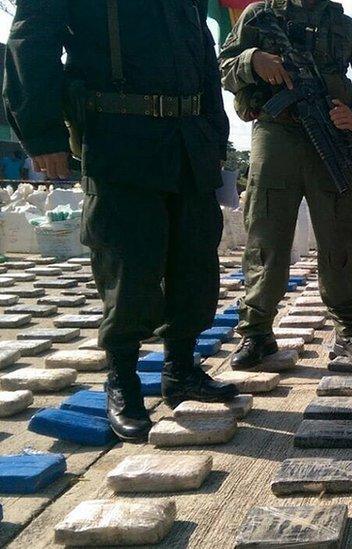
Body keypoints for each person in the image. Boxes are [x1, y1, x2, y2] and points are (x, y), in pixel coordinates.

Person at [3, 0, 239, 442]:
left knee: (195, 261)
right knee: (129, 264)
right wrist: (42, 132)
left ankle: (181, 369)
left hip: (188, 141)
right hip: (119, 137)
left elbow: (203, 55)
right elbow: (31, 42)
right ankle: (123, 379)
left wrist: (214, 132)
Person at [219, 0, 352, 369]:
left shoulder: (345, 27)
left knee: (340, 234)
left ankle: (348, 331)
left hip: (329, 133)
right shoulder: (259, 15)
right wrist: (252, 61)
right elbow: (223, 66)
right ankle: (257, 332)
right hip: (275, 131)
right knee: (267, 234)